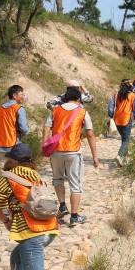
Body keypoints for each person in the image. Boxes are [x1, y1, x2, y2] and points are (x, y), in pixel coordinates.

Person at [0, 143, 60, 270]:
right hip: (50, 230)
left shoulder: (7, 178)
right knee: (16, 258)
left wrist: (7, 221)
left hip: (32, 233)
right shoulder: (37, 176)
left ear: (11, 160)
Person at [43, 86, 99, 227]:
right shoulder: (82, 112)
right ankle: (74, 216)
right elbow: (90, 134)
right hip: (73, 151)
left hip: (56, 150)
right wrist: (94, 156)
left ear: (65, 98)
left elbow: (46, 127)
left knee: (57, 179)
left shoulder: (55, 110)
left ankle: (62, 206)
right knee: (75, 184)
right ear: (79, 99)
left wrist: (44, 144)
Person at [107, 79, 135, 167]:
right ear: (128, 85)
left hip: (116, 121)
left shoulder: (115, 95)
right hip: (126, 120)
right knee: (126, 140)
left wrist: (111, 116)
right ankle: (120, 155)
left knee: (124, 138)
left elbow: (111, 110)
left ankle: (124, 158)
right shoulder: (132, 96)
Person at [0, 84, 29, 165]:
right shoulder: (19, 108)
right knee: (13, 174)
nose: (23, 96)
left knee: (3, 175)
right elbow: (24, 129)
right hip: (13, 147)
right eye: (22, 94)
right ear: (14, 95)